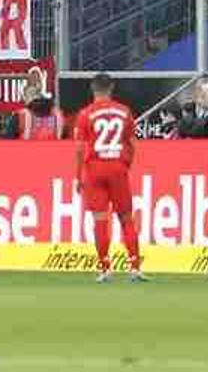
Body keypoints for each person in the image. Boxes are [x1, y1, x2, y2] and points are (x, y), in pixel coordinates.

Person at [71, 73, 146, 283]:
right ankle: (134, 267)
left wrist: (78, 176)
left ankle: (105, 269)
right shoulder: (124, 111)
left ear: (92, 89)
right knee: (126, 217)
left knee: (99, 220)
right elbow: (132, 143)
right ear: (111, 88)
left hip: (94, 169)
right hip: (117, 168)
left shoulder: (85, 114)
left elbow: (79, 149)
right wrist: (125, 165)